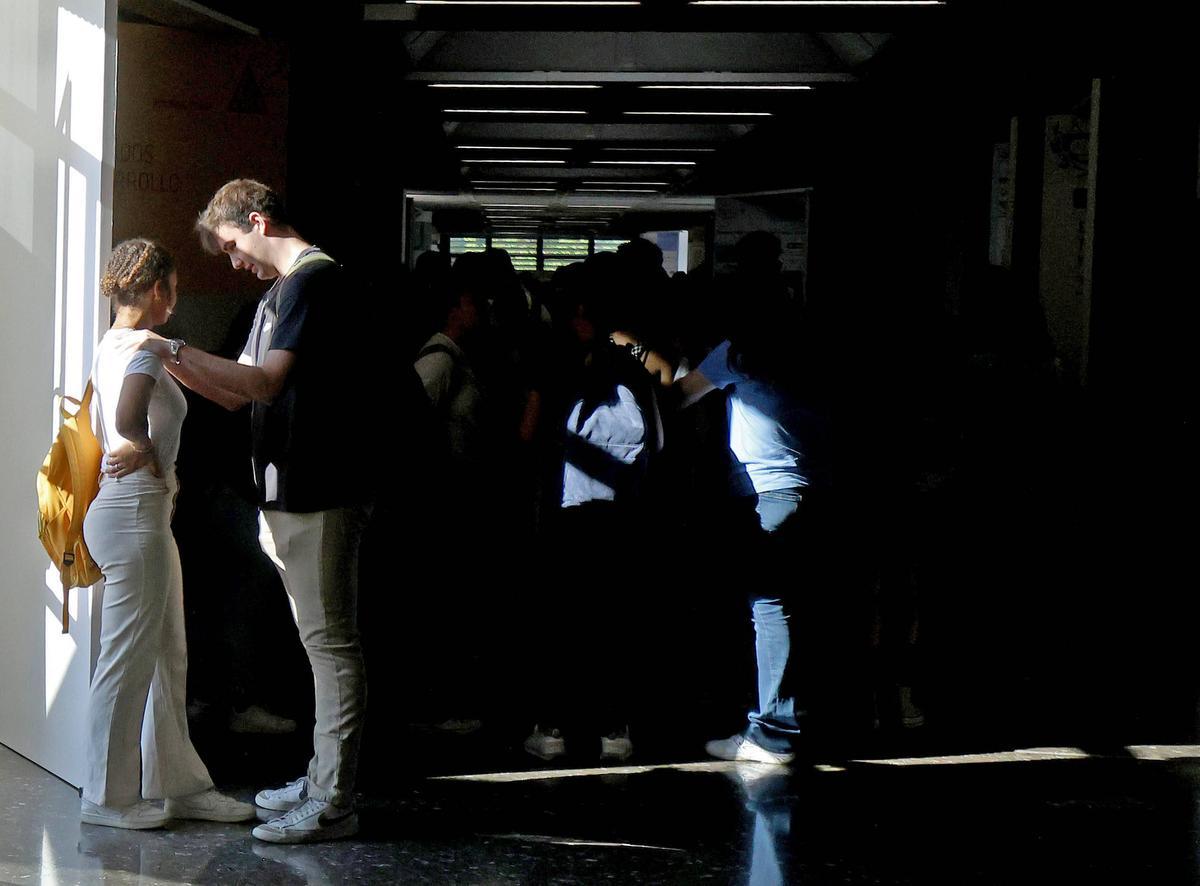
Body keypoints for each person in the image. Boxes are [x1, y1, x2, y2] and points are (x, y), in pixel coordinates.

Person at [139, 179, 372, 843]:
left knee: (330, 645)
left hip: (319, 489)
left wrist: (170, 350)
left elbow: (263, 383)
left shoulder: (310, 284)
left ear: (260, 221)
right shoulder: (281, 291)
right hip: (292, 489)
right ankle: (325, 777)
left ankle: (334, 799)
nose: (233, 260)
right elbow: (239, 395)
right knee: (321, 642)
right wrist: (162, 352)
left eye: (235, 244)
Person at [81, 238, 255, 830]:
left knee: (165, 656)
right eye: (173, 290)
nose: (174, 300)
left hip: (140, 516)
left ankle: (180, 785)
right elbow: (129, 418)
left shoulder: (119, 341)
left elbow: (223, 397)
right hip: (135, 515)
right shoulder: (144, 348)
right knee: (129, 660)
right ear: (158, 291)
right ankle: (106, 798)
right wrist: (148, 449)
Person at [677, 277, 831, 765]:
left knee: (769, 610)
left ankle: (772, 731)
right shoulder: (807, 352)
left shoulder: (737, 353)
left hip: (767, 495)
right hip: (810, 489)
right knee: (794, 608)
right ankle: (784, 719)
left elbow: (680, 396)